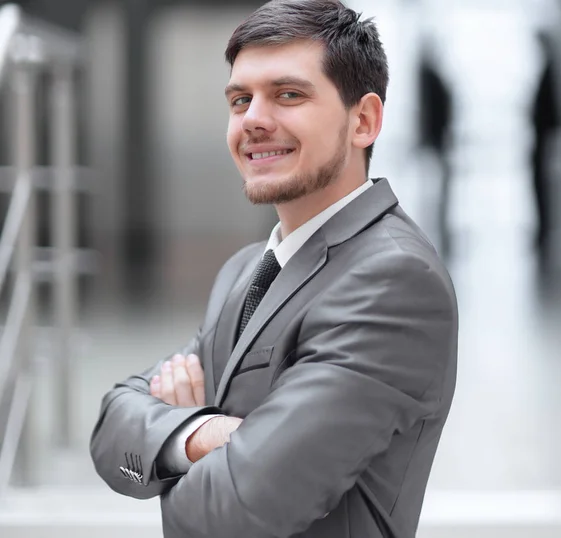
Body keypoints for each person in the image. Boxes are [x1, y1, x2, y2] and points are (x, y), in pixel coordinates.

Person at [90, 1, 458, 537]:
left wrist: (168, 448)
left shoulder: (393, 279)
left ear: (364, 120)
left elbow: (238, 510)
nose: (254, 120)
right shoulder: (249, 270)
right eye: (241, 100)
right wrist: (203, 435)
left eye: (288, 94)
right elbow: (111, 426)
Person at [416, 39, 454, 257]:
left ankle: (438, 218)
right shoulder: (430, 77)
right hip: (437, 139)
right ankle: (436, 218)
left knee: (439, 183)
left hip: (437, 139)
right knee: (437, 183)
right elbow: (432, 110)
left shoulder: (431, 76)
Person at [530, 30, 561, 255]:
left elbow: (552, 112)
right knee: (539, 188)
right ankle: (542, 233)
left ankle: (544, 234)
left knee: (542, 189)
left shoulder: (550, 73)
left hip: (544, 141)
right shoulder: (548, 72)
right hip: (541, 140)